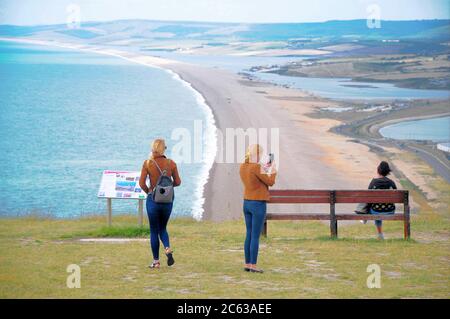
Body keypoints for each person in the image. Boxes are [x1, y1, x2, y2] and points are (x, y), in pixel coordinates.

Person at [139, 138, 181, 269]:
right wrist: (167, 189)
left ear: (153, 149)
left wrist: (150, 192)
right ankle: (167, 248)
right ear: (164, 149)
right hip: (167, 201)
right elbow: (178, 182)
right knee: (162, 228)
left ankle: (156, 261)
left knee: (153, 230)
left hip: (153, 200)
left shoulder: (147, 163)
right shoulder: (171, 163)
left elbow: (141, 183)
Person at [239, 144, 277, 273]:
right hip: (258, 204)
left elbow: (256, 178)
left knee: (249, 234)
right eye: (260, 154)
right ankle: (253, 266)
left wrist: (265, 168)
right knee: (255, 236)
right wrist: (273, 169)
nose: (261, 156)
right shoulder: (256, 167)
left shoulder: (243, 166)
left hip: (247, 202)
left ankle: (247, 264)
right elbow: (270, 181)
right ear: (256, 154)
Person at [365, 161, 397, 240]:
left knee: (374, 208)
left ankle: (380, 234)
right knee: (377, 207)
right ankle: (380, 235)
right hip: (390, 210)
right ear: (387, 172)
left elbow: (368, 197)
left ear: (378, 170)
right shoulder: (391, 183)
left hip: (376, 210)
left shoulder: (373, 182)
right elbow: (395, 196)